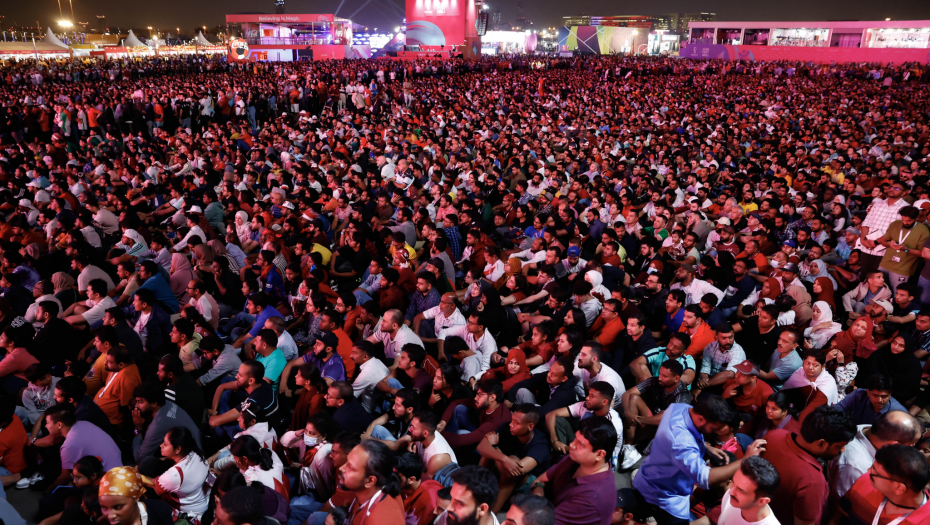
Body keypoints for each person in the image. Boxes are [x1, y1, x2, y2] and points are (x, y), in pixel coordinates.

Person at [633, 395, 767, 525]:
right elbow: (705, 478)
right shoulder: (682, 442)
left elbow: (684, 438)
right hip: (665, 498)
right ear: (701, 419)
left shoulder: (680, 408)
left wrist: (706, 447)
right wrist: (746, 459)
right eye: (713, 428)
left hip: (647, 477)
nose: (715, 432)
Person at [761, 406, 856, 525]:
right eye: (839, 446)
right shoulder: (812, 482)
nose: (843, 450)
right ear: (821, 443)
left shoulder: (775, 435)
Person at [531, 417, 618, 525]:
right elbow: (540, 480)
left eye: (580, 444)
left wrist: (537, 497)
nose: (572, 445)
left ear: (599, 454)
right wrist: (538, 492)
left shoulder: (592, 498)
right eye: (575, 438)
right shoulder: (575, 459)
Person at [827, 410, 923, 501]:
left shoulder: (870, 430)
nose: (912, 448)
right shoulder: (856, 467)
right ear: (894, 445)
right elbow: (842, 504)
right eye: (911, 445)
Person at [476, 403, 551, 512]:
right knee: (487, 454)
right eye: (512, 420)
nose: (511, 424)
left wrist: (495, 447)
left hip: (528, 486)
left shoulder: (540, 445)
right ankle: (477, 494)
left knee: (512, 461)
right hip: (507, 475)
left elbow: (519, 469)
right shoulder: (507, 428)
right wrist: (504, 459)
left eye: (517, 423)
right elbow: (481, 447)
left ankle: (491, 513)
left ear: (530, 426)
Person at [837, 444, 930, 525]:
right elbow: (842, 513)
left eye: (875, 471)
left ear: (899, 487)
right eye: (872, 466)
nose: (868, 471)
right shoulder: (865, 481)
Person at [45, 405, 122, 489]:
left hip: (108, 482)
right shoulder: (83, 423)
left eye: (47, 422)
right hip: (119, 470)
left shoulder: (69, 445)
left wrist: (48, 490)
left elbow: (65, 477)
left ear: (59, 425)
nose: (46, 426)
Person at [694, 456, 782, 525]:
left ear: (762, 501)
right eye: (733, 482)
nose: (731, 492)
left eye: (741, 491)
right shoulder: (730, 498)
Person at [338, 440, 406, 525]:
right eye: (346, 461)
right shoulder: (374, 488)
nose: (341, 468)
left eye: (350, 467)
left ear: (370, 481)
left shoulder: (379, 521)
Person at [98, 466, 175, 525]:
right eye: (104, 508)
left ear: (136, 497)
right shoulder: (102, 523)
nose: (110, 516)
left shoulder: (159, 510)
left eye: (118, 507)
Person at [834, 373, 908, 426]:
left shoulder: (900, 413)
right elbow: (837, 409)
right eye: (875, 395)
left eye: (884, 396)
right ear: (868, 392)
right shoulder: (858, 395)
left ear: (890, 394)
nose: (879, 400)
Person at [435, 465, 499, 525]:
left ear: (482, 509)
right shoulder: (452, 515)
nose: (448, 508)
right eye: (452, 498)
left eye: (460, 503)